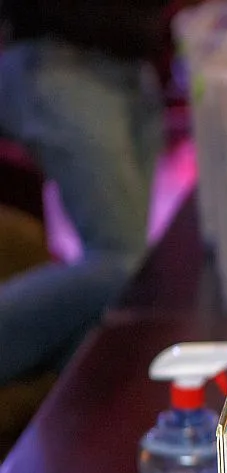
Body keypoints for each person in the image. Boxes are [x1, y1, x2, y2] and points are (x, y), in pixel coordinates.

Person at [0, 0, 171, 383]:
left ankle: (73, 399)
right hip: (63, 61)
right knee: (121, 264)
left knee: (128, 282)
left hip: (132, 64)